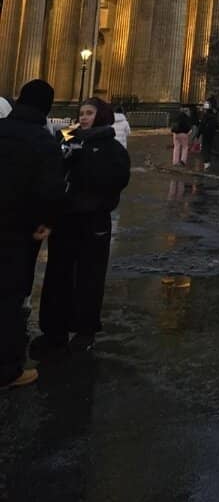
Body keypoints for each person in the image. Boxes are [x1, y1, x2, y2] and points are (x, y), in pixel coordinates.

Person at [32, 97, 130, 357]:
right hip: (65, 218)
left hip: (93, 220)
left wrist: (85, 170)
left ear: (101, 115)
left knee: (89, 277)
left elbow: (118, 180)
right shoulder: (67, 139)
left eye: (90, 113)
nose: (84, 117)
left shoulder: (111, 147)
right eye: (82, 113)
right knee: (58, 274)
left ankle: (85, 331)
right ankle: (54, 330)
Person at [0, 80, 66, 388]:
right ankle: (7, 370)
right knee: (10, 297)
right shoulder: (44, 143)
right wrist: (46, 222)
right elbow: (50, 191)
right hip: (16, 230)